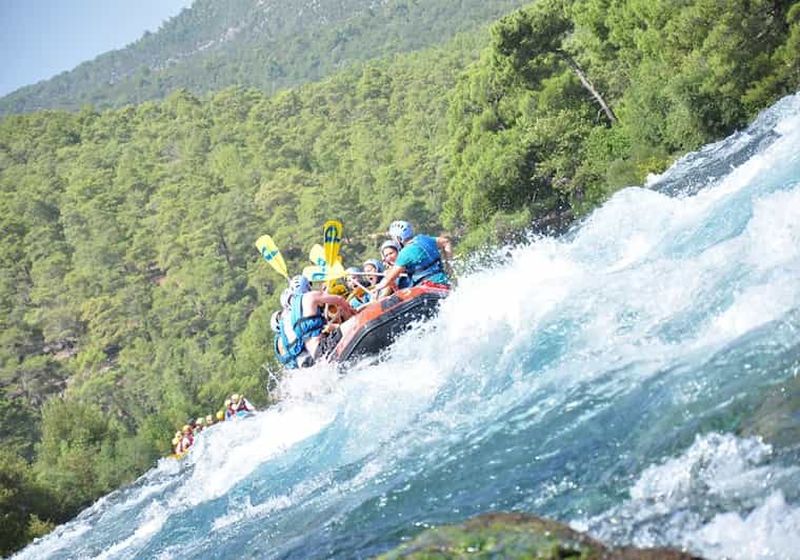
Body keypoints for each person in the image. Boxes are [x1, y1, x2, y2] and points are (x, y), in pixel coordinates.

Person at [274, 274, 355, 367]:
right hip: (323, 347)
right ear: (307, 286)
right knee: (353, 323)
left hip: (315, 355)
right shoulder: (310, 296)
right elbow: (339, 299)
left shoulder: (291, 317)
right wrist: (352, 313)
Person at [375, 220, 452, 293]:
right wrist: (449, 265)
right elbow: (446, 242)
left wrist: (377, 287)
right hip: (444, 281)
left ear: (399, 238)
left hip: (428, 287)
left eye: (394, 238)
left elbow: (390, 278)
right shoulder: (425, 239)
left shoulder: (404, 253)